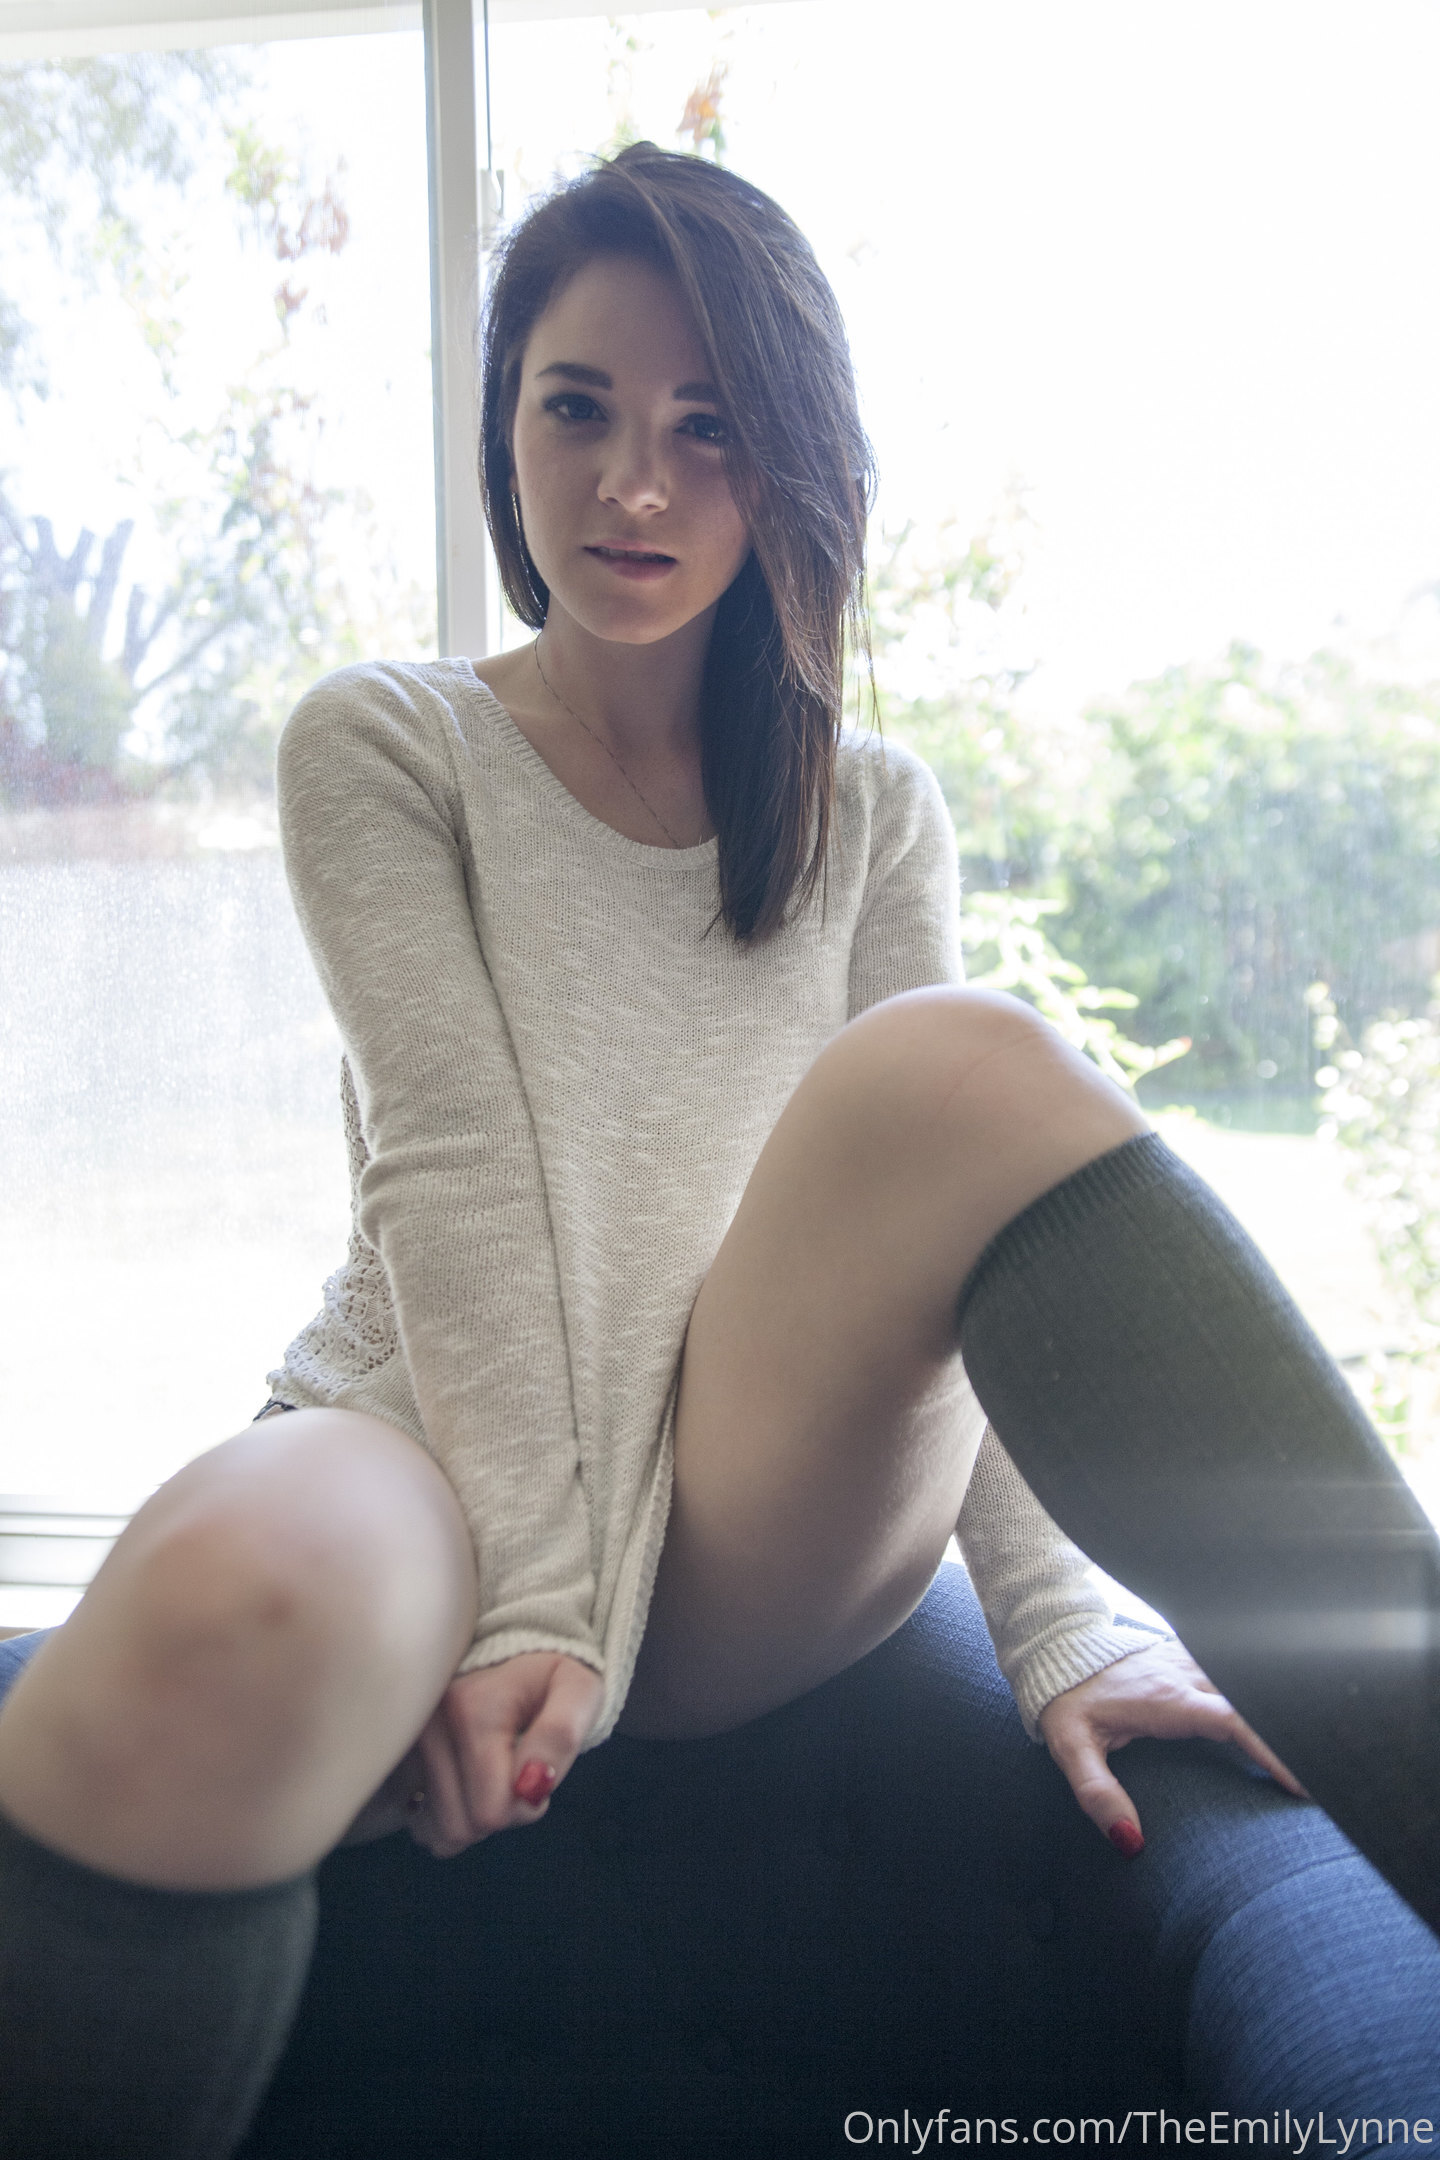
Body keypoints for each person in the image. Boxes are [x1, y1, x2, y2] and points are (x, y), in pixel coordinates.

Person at [0, 142, 1437, 2159]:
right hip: (440, 1428)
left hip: (760, 1495)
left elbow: (969, 1270)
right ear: (504, 429)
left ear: (789, 468)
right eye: (576, 408)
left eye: (708, 428)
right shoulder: (388, 744)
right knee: (235, 1598)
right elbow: (454, 1168)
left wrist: (1065, 1622)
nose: (634, 485)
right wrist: (534, 1609)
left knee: (959, 1073)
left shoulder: (874, 812)